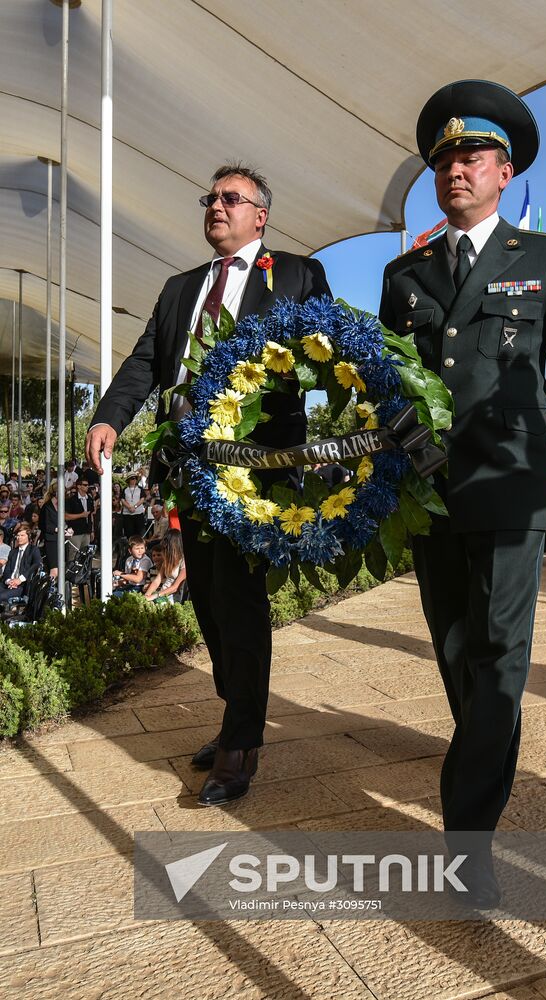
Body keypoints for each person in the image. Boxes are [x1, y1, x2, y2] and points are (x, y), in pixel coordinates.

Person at [379, 80, 546, 908]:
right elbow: (388, 388)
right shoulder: (403, 273)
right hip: (432, 496)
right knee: (453, 650)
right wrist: (400, 468)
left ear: (503, 170)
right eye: (442, 160)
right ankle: (478, 769)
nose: (453, 170)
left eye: (470, 157)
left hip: (512, 489)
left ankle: (465, 837)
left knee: (499, 656)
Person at [86, 160, 331, 807]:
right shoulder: (178, 289)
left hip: (255, 466)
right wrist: (111, 415)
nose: (216, 206)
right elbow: (144, 362)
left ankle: (241, 740)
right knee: (209, 601)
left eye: (232, 198)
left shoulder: (296, 277)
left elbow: (330, 352)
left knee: (240, 598)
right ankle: (236, 713)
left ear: (261, 214)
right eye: (211, 197)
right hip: (189, 468)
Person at [0, 523, 42, 603]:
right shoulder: (13, 552)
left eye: (22, 535)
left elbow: (37, 564)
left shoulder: (33, 550)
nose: (19, 538)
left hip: (22, 586)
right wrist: (9, 581)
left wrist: (20, 579)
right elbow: (7, 570)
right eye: (18, 535)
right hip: (8, 583)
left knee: (1, 596)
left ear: (28, 536)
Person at [143, 528, 187, 604]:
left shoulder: (183, 561)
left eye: (166, 548)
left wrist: (154, 596)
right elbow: (157, 581)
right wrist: (147, 595)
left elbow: (175, 587)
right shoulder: (168, 560)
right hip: (162, 594)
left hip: (173, 597)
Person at [65, 479, 93, 562]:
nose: (87, 486)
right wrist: (81, 515)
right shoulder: (71, 500)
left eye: (87, 485)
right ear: (79, 486)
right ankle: (71, 573)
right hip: (75, 531)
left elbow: (91, 515)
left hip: (86, 530)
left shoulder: (89, 499)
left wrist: (92, 530)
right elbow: (66, 516)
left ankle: (84, 573)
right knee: (74, 553)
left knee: (86, 554)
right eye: (85, 485)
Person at [38, 480, 60, 576]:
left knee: (60, 567)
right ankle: (50, 589)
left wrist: (68, 529)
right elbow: (42, 525)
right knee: (54, 569)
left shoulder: (62, 506)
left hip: (62, 539)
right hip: (50, 540)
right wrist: (56, 529)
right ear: (56, 493)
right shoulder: (46, 507)